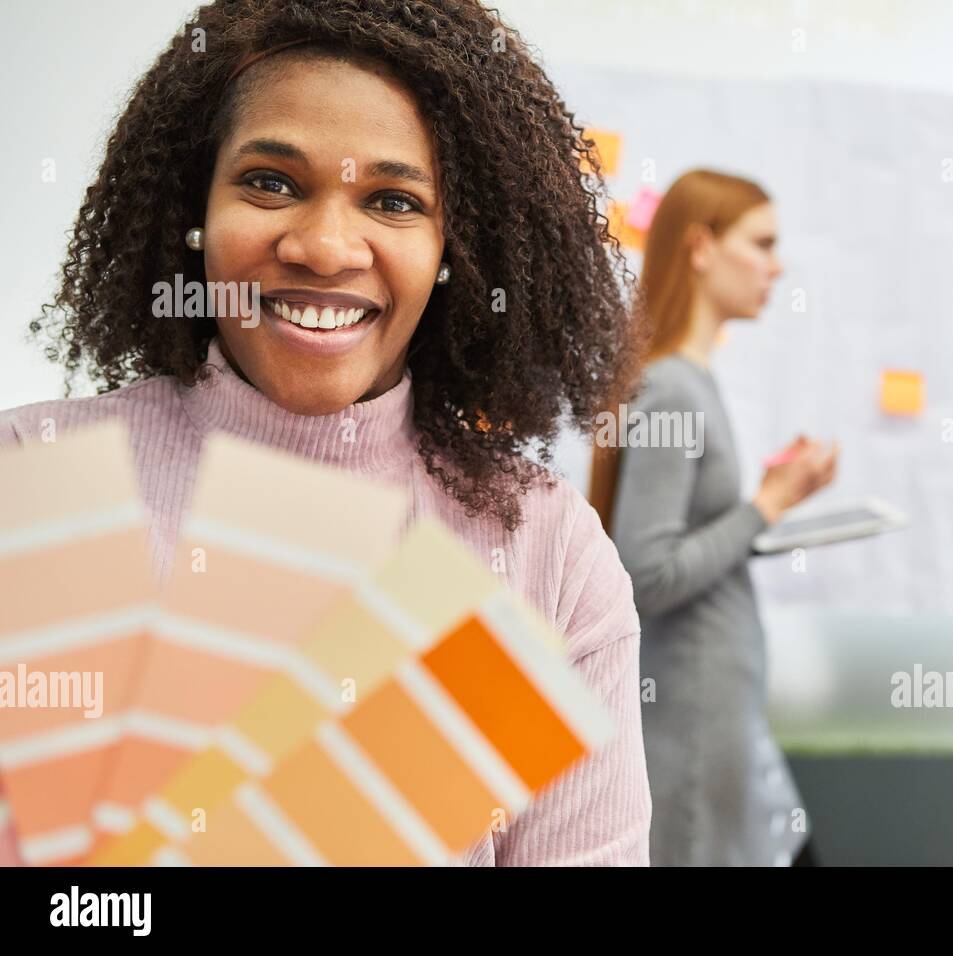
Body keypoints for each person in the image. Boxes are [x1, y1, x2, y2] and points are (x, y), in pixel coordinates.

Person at [0, 0, 650, 866]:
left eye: (393, 199)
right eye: (271, 182)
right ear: (194, 210)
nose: (325, 246)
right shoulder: (33, 484)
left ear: (458, 243)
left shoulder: (544, 550)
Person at [590, 169, 839, 865]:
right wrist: (769, 504)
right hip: (695, 720)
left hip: (714, 713)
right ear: (700, 248)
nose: (776, 264)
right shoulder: (673, 389)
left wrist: (763, 502)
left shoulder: (687, 379)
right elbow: (647, 572)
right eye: (761, 242)